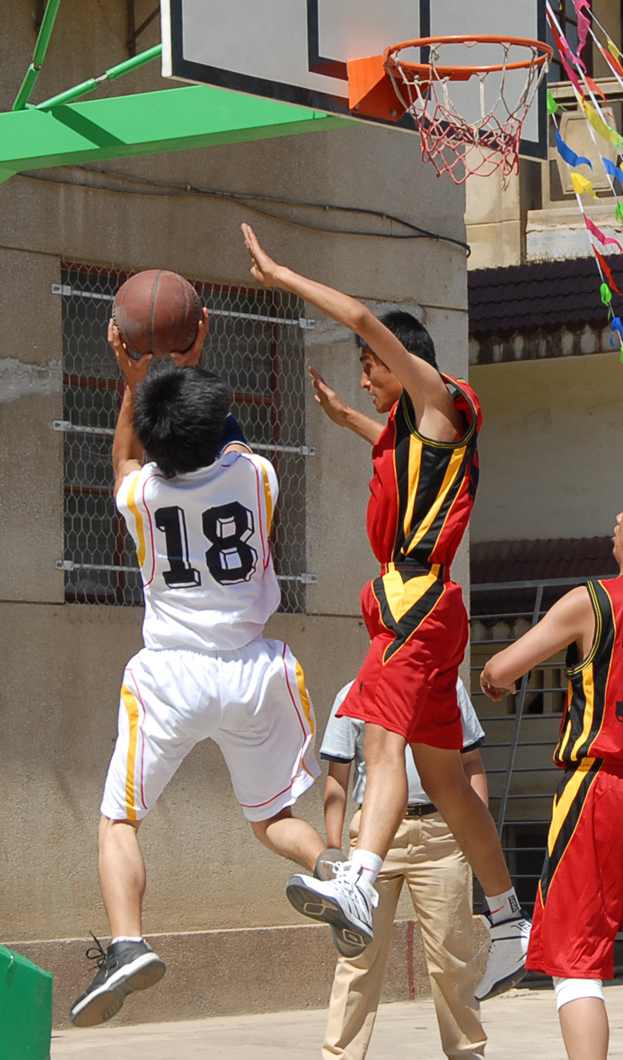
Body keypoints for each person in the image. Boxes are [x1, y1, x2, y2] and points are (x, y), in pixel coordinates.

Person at [241, 221, 529, 1001]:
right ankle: (509, 921)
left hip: (418, 607)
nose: (365, 376)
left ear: (400, 363)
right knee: (445, 779)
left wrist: (281, 274)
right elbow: (403, 455)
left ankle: (360, 882)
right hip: (418, 607)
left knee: (378, 738)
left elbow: (366, 318)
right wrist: (348, 419)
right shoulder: (414, 431)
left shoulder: (443, 402)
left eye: (369, 367)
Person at [70, 320, 325, 1027]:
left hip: (171, 678)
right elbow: (224, 434)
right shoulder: (258, 476)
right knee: (272, 818)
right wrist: (187, 368)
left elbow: (125, 459)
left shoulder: (143, 497)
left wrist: (136, 385)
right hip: (253, 673)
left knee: (119, 820)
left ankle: (128, 943)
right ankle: (338, 875)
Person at [480, 510, 623, 1060]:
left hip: (601, 786)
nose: (617, 518)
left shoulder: (594, 601)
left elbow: (501, 669)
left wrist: (495, 679)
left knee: (576, 961)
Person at [319, 678, 488, 1060]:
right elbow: (338, 778)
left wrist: (479, 833)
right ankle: (339, 1055)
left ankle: (467, 1053)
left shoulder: (449, 686)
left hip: (441, 833)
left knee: (453, 955)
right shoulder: (353, 693)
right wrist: (332, 850)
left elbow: (471, 762)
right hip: (374, 834)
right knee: (358, 954)